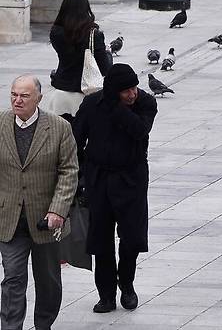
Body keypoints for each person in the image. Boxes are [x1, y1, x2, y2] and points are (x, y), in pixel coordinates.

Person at [72, 64, 157, 313]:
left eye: (134, 88)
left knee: (132, 238)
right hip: (99, 179)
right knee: (101, 240)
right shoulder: (91, 105)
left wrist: (115, 106)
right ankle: (106, 294)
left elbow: (139, 130)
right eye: (125, 91)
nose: (132, 94)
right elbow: (76, 141)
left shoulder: (146, 103)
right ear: (112, 90)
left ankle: (127, 283)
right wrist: (79, 176)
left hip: (131, 179)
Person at [0, 75, 78, 329]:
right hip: (9, 219)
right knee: (12, 277)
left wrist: (58, 210)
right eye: (14, 94)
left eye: (24, 95)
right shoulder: (1, 124)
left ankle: (44, 324)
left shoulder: (59, 128)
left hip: (46, 220)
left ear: (39, 99)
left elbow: (69, 171)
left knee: (48, 280)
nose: (17, 100)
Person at [41, 0, 112, 122]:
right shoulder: (94, 35)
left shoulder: (55, 33)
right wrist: (107, 53)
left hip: (61, 91)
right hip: (85, 93)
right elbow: (105, 68)